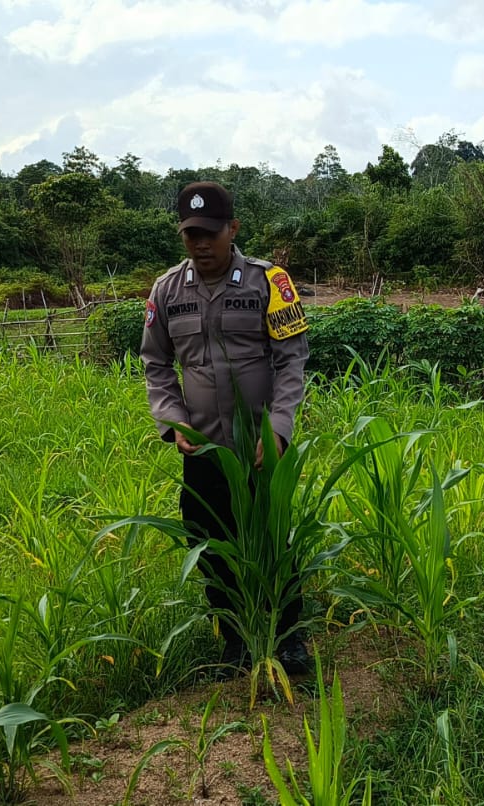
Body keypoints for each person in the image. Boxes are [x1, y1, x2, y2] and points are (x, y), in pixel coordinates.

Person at [139, 181, 311, 675]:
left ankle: (290, 636)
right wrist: (172, 421)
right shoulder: (167, 290)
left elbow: (291, 361)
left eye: (210, 233)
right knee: (209, 539)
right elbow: (155, 363)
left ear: (232, 229)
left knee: (273, 538)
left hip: (260, 446)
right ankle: (235, 637)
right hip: (203, 449)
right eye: (191, 234)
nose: (200, 244)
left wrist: (278, 429)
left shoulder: (269, 282)